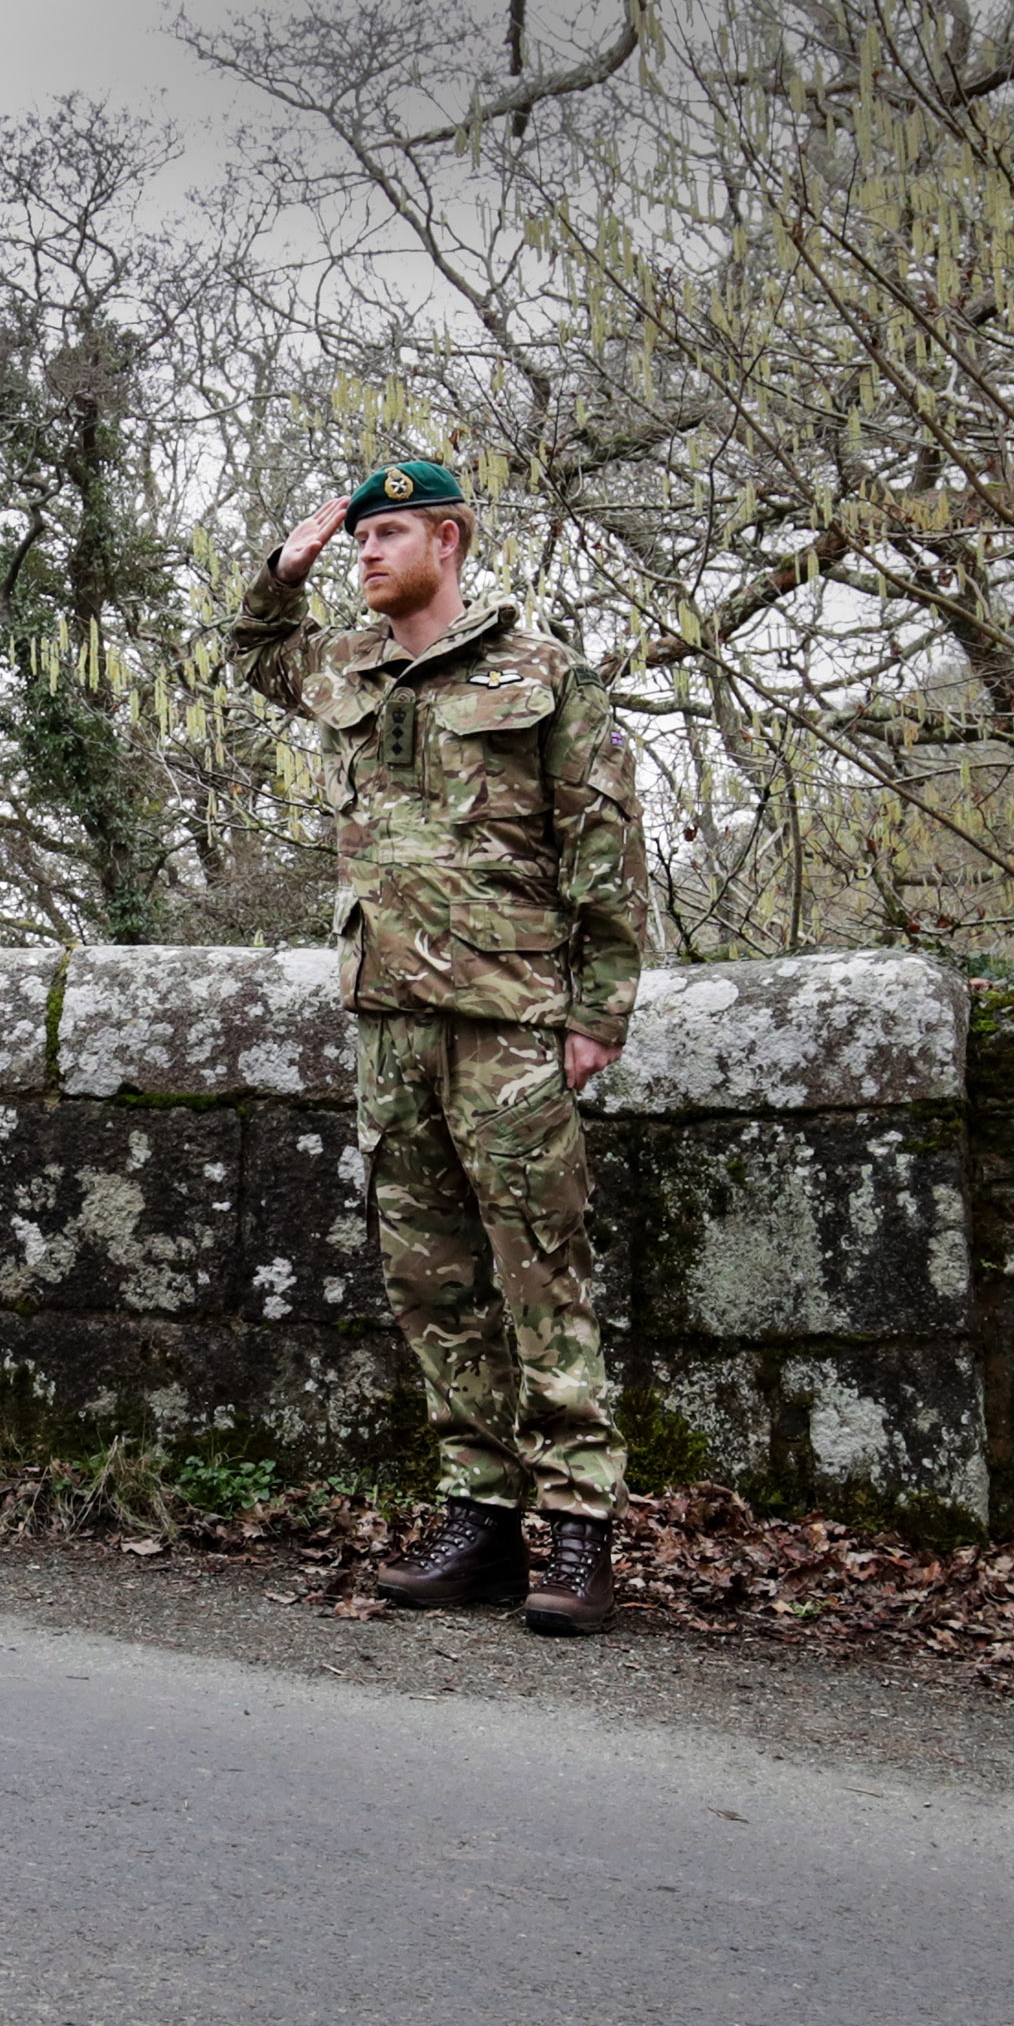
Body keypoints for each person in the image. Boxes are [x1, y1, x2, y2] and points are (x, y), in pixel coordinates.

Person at [232, 460, 648, 1634]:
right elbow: (258, 655)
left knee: (541, 1273)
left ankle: (577, 1533)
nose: (366, 553)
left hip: (510, 1020)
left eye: (388, 533)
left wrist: (596, 1012)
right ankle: (479, 1519)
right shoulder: (350, 667)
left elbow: (607, 847)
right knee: (430, 1283)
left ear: (450, 541)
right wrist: (285, 572)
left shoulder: (544, 673)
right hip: (390, 1023)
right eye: (357, 538)